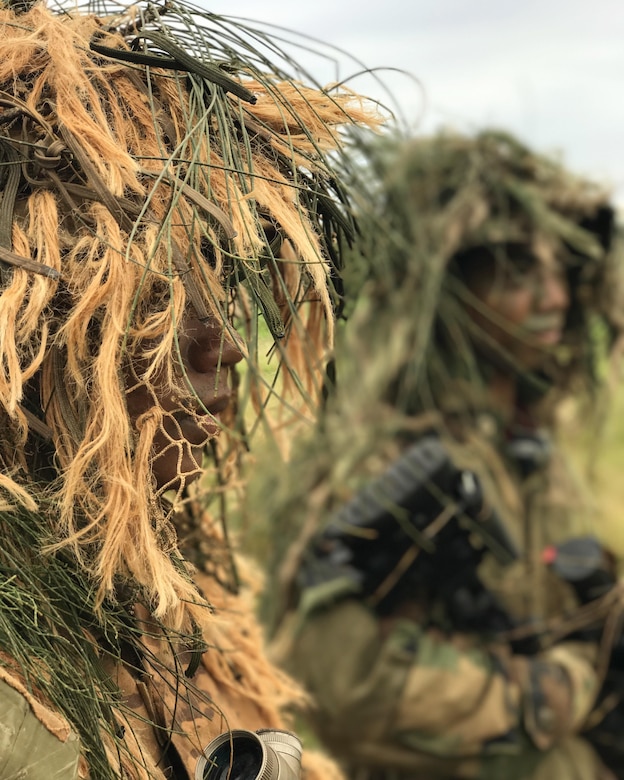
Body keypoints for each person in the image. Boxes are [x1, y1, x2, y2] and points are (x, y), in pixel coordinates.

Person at [0, 0, 381, 776]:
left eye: (217, 278)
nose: (229, 347)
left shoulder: (170, 600)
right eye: (156, 298)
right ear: (29, 335)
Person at [258, 130, 624, 780]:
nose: (554, 299)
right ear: (451, 289)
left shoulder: (526, 438)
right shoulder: (395, 460)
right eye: (515, 273)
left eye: (559, 272)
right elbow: (348, 684)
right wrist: (551, 692)